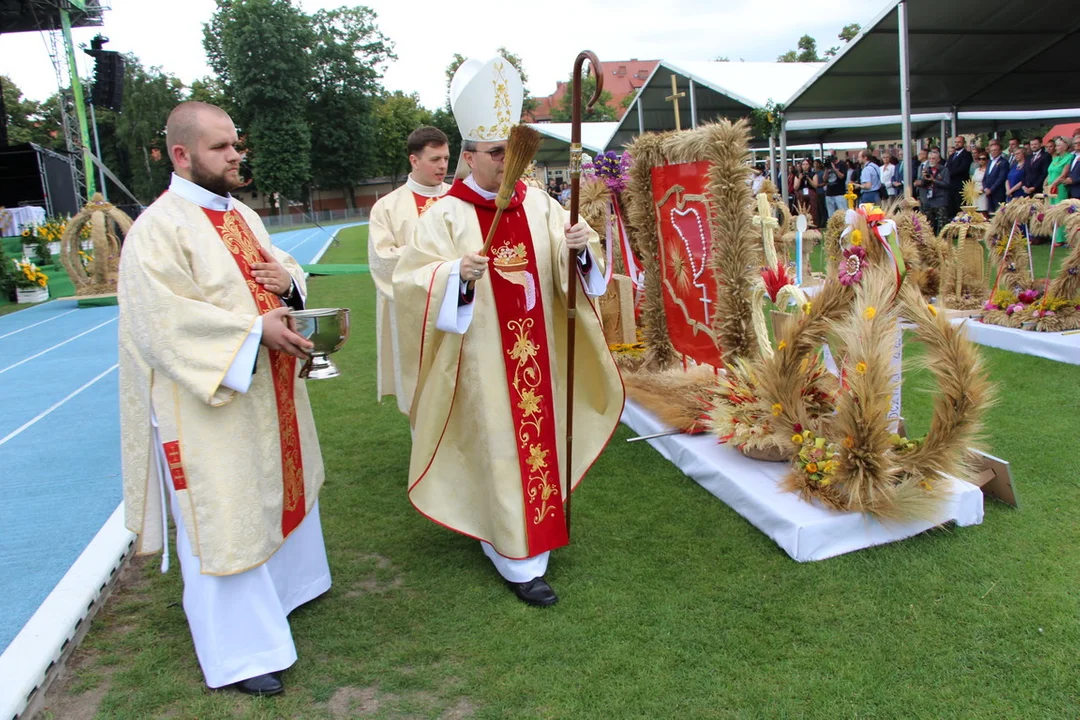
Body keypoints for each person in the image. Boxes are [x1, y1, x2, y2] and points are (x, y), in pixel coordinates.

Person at [392, 56, 623, 608]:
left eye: (511, 152)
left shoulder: (540, 203)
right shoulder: (446, 215)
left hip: (541, 357)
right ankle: (517, 558)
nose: (506, 163)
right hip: (484, 363)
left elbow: (581, 270)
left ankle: (528, 537)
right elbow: (408, 283)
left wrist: (581, 252)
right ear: (468, 155)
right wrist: (454, 276)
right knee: (499, 448)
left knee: (535, 449)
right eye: (495, 154)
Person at [117, 101, 328, 696]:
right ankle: (241, 652)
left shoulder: (242, 215)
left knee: (273, 490)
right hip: (206, 404)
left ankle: (289, 592)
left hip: (266, 393)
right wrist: (251, 332)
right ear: (181, 155)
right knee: (227, 514)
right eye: (220, 147)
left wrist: (289, 283)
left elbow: (278, 269)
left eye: (236, 144)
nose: (235, 155)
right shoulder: (158, 229)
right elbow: (160, 323)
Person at [368, 127, 452, 414]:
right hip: (413, 312)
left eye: (446, 158)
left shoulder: (459, 199)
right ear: (414, 161)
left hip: (459, 303)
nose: (442, 166)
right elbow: (382, 261)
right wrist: (439, 261)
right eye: (434, 159)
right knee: (421, 386)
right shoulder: (387, 208)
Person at [1045, 136, 1074, 246]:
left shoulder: (1069, 157)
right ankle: (1054, 237)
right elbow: (1050, 172)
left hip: (1059, 188)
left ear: (1066, 146)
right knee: (1051, 211)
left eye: (1058, 146)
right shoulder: (1056, 158)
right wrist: (1046, 184)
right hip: (1050, 188)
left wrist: (1053, 184)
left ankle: (1061, 238)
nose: (1056, 148)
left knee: (1059, 211)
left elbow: (1063, 174)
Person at [915, 147, 951, 233]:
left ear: (938, 159)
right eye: (930, 158)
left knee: (942, 224)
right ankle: (931, 242)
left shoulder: (944, 170)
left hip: (940, 200)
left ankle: (942, 242)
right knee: (929, 224)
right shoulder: (925, 169)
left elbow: (946, 184)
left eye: (934, 158)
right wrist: (922, 180)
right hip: (928, 199)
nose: (931, 160)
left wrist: (934, 180)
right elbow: (922, 183)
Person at [944, 136, 973, 219]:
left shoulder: (966, 155)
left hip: (960, 186)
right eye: (955, 142)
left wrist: (949, 173)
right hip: (951, 186)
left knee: (959, 208)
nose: (957, 144)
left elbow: (963, 168)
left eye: (959, 142)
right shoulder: (952, 155)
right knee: (951, 208)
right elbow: (947, 167)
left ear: (963, 143)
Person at [983, 139, 1009, 213]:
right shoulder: (990, 162)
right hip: (988, 192)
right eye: (991, 151)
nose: (993, 152)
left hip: (998, 192)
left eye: (995, 150)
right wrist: (985, 188)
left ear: (1000, 151)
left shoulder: (1003, 162)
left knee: (998, 213)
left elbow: (1001, 178)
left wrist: (991, 189)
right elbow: (985, 177)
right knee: (990, 212)